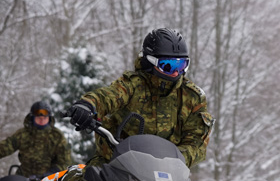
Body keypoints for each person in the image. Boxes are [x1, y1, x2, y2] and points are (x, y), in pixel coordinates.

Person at [65, 28, 213, 171]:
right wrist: (88, 105)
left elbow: (196, 141)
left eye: (181, 66)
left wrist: (177, 160)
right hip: (116, 164)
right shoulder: (133, 86)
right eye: (168, 66)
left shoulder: (192, 97)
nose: (175, 73)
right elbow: (107, 96)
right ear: (150, 62)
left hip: (167, 174)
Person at [0, 101, 73, 181]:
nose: (42, 119)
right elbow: (1, 149)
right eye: (38, 116)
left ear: (49, 118)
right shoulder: (23, 135)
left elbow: (65, 162)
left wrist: (50, 174)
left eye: (45, 116)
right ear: (32, 117)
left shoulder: (57, 136)